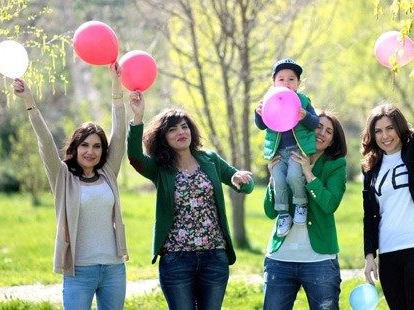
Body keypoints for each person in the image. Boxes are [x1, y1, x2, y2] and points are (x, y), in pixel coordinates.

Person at [12, 63, 134, 310]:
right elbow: (45, 143)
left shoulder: (108, 172)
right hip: (78, 271)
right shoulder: (63, 177)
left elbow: (120, 133)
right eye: (85, 145)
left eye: (97, 146)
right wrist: (30, 102)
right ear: (75, 147)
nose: (91, 151)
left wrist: (115, 85)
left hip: (113, 268)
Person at [127, 100, 255, 309]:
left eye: (184, 126)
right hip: (176, 259)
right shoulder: (159, 168)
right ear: (163, 137)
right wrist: (138, 116)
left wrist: (241, 180)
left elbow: (243, 185)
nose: (181, 132)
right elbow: (134, 157)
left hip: (214, 257)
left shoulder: (210, 159)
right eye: (173, 129)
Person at [361, 52, 414, 310]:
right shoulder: (371, 168)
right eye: (378, 131)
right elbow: (369, 216)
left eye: (389, 129)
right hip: (388, 255)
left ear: (399, 129)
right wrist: (369, 256)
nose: (385, 136)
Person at [263, 110, 348, 310]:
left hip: (319, 260)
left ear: (332, 141)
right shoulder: (286, 157)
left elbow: (329, 205)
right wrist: (275, 179)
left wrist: (308, 174)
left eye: (329, 132)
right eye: (318, 126)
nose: (322, 133)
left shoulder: (336, 165)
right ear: (306, 129)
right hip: (280, 259)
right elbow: (269, 211)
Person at [255, 58, 319, 237]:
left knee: (293, 176)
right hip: (277, 152)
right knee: (279, 179)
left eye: (291, 79)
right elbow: (261, 125)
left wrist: (305, 116)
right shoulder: (269, 101)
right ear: (274, 82)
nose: (286, 82)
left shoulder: (303, 101)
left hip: (297, 150)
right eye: (281, 79)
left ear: (298, 83)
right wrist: (258, 113)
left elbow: (315, 123)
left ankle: (300, 204)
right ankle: (283, 214)